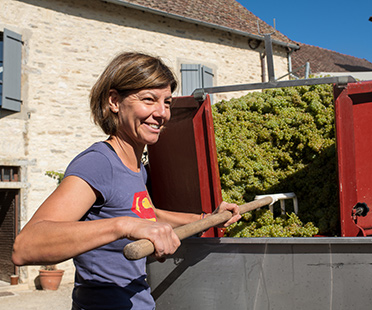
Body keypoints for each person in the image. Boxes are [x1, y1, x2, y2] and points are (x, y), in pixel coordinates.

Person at [12, 52, 241, 309]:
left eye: (167, 102)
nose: (162, 113)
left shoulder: (135, 167)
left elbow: (146, 214)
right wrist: (123, 226)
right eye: (148, 100)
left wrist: (208, 219)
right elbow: (26, 246)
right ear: (114, 101)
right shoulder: (99, 163)